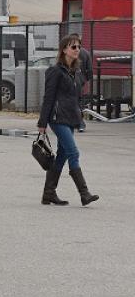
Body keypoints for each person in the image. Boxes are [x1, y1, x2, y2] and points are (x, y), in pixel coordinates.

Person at [38, 34, 99, 207]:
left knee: (63, 155)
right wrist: (42, 123)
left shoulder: (77, 71)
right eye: (73, 47)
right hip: (57, 118)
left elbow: (76, 97)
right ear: (64, 49)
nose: (77, 50)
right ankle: (84, 193)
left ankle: (48, 193)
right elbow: (48, 97)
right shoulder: (55, 71)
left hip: (71, 117)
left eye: (79, 47)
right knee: (73, 152)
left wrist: (79, 118)